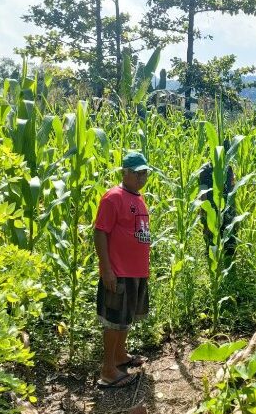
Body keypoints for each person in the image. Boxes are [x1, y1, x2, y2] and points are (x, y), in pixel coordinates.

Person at [94, 151, 152, 388]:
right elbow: (99, 232)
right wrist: (107, 270)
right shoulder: (112, 198)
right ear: (124, 173)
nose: (142, 177)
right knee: (113, 320)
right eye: (137, 173)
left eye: (144, 172)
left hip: (136, 272)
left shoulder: (137, 198)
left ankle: (119, 356)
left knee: (125, 319)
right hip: (119, 271)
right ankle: (108, 370)